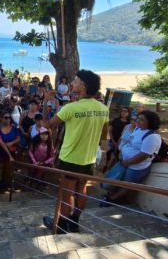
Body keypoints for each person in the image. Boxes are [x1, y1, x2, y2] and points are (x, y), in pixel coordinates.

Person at [42, 69, 109, 234]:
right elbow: (104, 136)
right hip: (89, 158)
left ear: (83, 86)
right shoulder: (103, 109)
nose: (72, 83)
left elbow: (47, 125)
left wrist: (45, 102)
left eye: (76, 81)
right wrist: (104, 155)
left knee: (66, 193)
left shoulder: (71, 108)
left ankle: (61, 225)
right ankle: (75, 221)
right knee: (81, 189)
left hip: (70, 158)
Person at [101, 110, 162, 207]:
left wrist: (129, 162)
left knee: (127, 185)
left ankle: (112, 199)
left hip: (136, 167)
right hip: (124, 162)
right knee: (118, 180)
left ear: (150, 122)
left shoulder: (152, 136)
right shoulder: (138, 129)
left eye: (141, 119)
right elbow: (129, 142)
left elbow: (144, 154)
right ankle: (114, 195)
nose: (137, 121)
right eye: (137, 118)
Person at [103, 107, 131, 172]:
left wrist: (119, 143)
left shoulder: (129, 123)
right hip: (113, 141)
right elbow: (110, 131)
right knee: (109, 153)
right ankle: (106, 165)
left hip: (122, 143)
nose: (123, 113)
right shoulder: (116, 120)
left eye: (125, 111)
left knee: (117, 155)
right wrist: (113, 141)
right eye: (122, 111)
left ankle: (112, 168)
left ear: (129, 113)